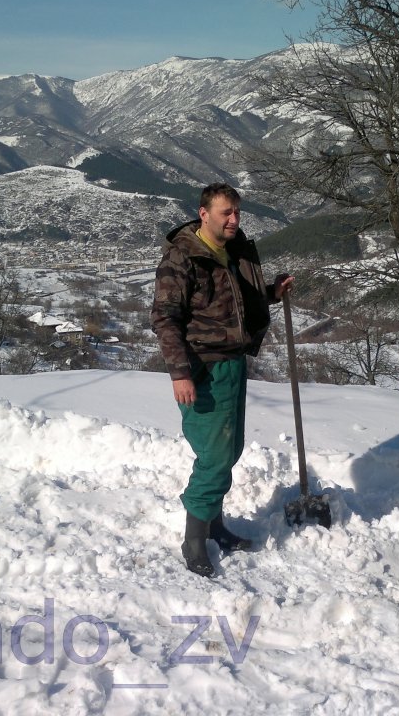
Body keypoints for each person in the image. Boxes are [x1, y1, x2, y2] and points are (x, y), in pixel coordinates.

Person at [151, 182, 293, 577]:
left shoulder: (232, 250)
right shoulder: (183, 257)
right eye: (225, 213)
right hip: (202, 367)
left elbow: (236, 301)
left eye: (237, 212)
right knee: (214, 456)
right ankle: (194, 538)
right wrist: (180, 373)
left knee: (229, 449)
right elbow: (164, 318)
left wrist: (272, 292)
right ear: (204, 213)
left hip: (233, 362)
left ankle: (214, 526)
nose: (234, 220)